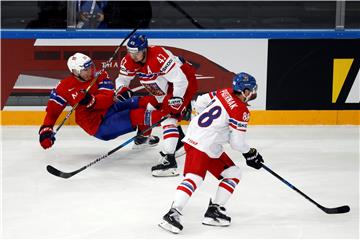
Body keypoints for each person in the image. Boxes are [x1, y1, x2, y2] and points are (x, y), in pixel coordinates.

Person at [158, 72, 264, 234]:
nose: (253, 94)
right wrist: (250, 153)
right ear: (245, 91)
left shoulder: (224, 92)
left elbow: (200, 102)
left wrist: (210, 126)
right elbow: (237, 143)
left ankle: (214, 211)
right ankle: (172, 213)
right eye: (252, 90)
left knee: (233, 173)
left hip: (207, 143)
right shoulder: (241, 111)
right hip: (201, 144)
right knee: (194, 178)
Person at [39, 52, 163, 150]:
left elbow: (108, 98)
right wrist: (46, 131)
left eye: (91, 67)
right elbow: (52, 112)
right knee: (140, 115)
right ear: (75, 72)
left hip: (109, 108)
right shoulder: (64, 87)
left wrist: (91, 100)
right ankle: (170, 120)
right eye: (86, 70)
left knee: (146, 102)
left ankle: (142, 139)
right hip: (98, 125)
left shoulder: (100, 75)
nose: (91, 71)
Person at [115, 33, 198, 177]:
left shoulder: (158, 56)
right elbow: (121, 79)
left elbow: (180, 81)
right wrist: (121, 89)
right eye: (130, 52)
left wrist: (177, 100)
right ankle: (179, 143)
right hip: (163, 85)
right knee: (152, 108)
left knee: (168, 117)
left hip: (183, 82)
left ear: (145, 50)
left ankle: (169, 161)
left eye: (137, 53)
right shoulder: (128, 60)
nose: (133, 56)